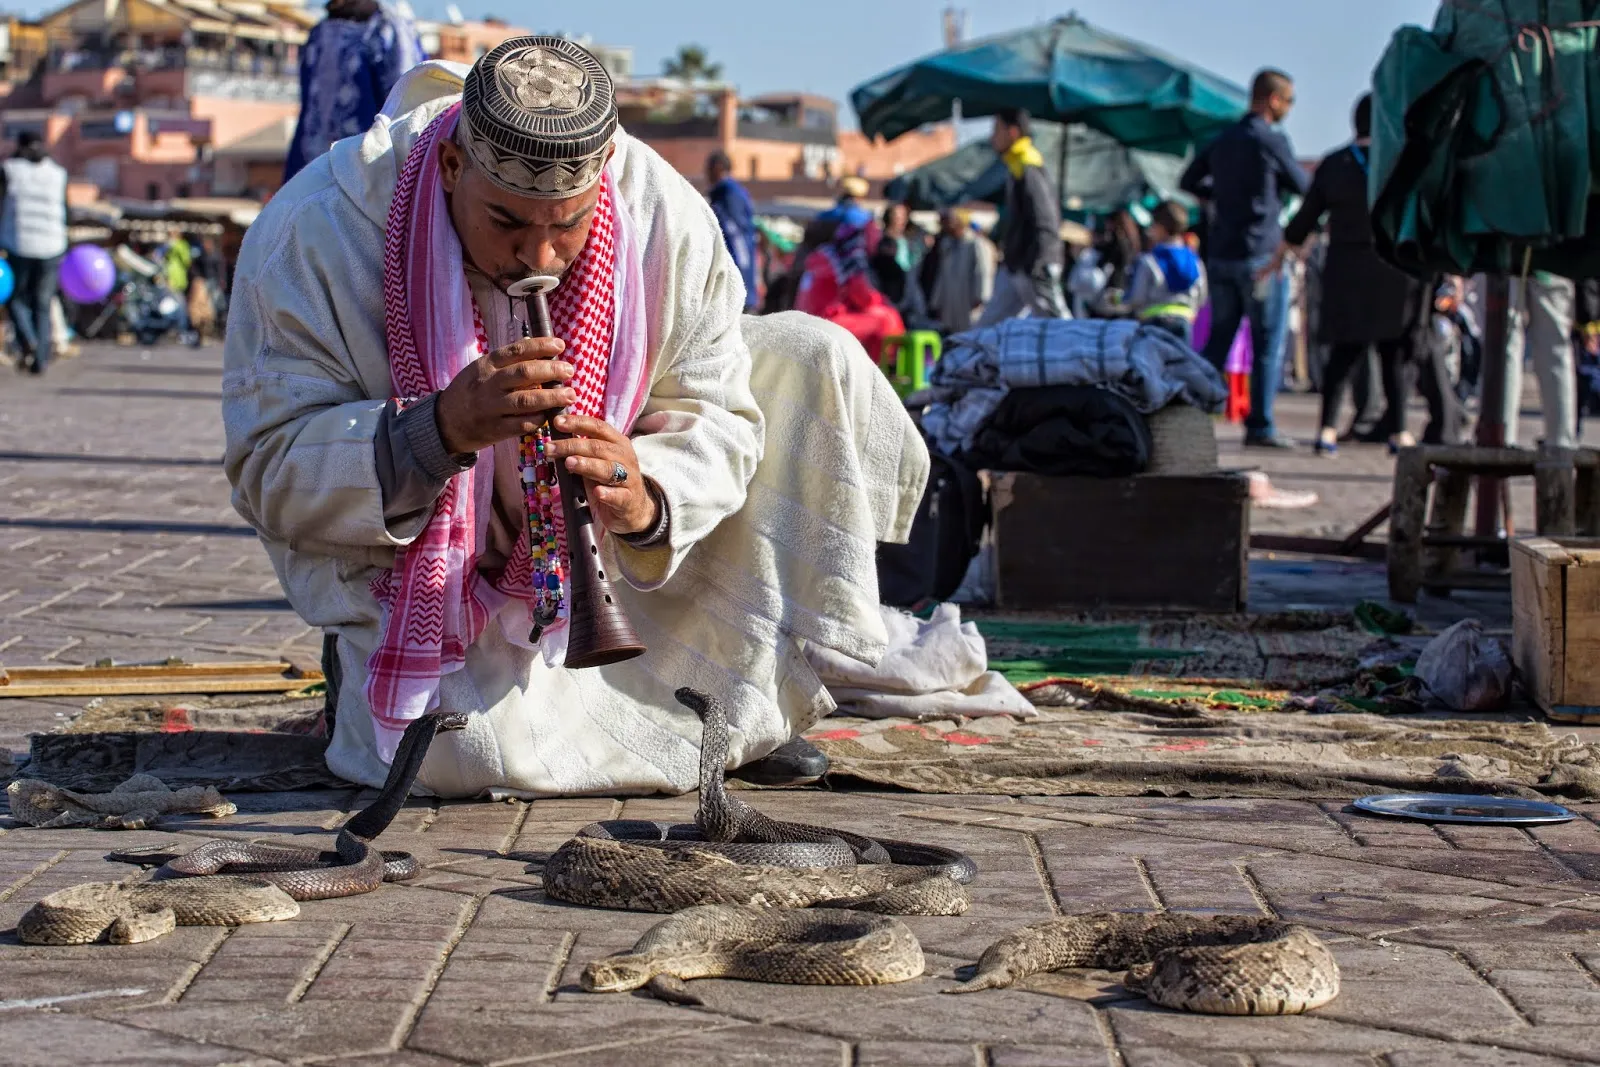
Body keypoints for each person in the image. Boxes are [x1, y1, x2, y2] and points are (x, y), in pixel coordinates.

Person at [222, 39, 926, 798]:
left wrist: (647, 495)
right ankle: (367, 677)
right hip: (421, 582)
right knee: (464, 759)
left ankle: (734, 708)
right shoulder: (316, 231)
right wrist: (435, 432)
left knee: (809, 352)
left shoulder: (664, 214)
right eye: (508, 223)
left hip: (625, 579)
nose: (542, 255)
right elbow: (268, 464)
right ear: (453, 169)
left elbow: (718, 409)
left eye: (569, 225)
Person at [1272, 94, 1461, 454]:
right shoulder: (1403, 162)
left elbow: (1304, 222)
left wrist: (1283, 250)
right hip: (1396, 268)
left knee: (1344, 354)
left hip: (1347, 269)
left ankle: (1326, 429)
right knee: (1394, 354)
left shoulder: (1335, 163)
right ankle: (1400, 432)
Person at [1181, 68, 1310, 448]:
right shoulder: (1270, 140)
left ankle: (1187, 412)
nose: (1288, 108)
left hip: (1222, 252)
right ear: (1273, 99)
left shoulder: (1223, 139)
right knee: (1266, 343)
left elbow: (1189, 180)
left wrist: (1219, 195)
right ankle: (1260, 425)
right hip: (1261, 256)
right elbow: (1303, 185)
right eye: (1288, 101)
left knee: (1218, 339)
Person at [283, 0, 424, 183]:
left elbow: (408, 107)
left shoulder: (390, 31)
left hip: (370, 178)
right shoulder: (319, 33)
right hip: (312, 173)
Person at [977, 108, 1068, 324]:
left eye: (997, 130)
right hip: (1018, 265)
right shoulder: (1016, 165)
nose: (992, 137)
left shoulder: (1028, 166)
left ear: (1013, 132)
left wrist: (1041, 262)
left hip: (1034, 265)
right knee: (989, 327)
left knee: (1059, 324)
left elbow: (1046, 219)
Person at [0, 131, 68, 375]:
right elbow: (66, 209)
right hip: (52, 245)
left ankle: (27, 339)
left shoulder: (9, 170)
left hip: (18, 243)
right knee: (43, 302)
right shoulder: (58, 173)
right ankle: (41, 357)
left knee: (16, 298)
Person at [795, 217, 906, 359]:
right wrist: (882, 300)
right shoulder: (848, 257)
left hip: (807, 320)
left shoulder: (822, 254)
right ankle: (881, 372)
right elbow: (863, 298)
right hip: (825, 322)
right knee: (886, 318)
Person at [1504, 273, 1580, 450]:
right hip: (1551, 260)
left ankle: (1501, 441)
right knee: (1555, 349)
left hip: (1506, 256)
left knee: (1506, 344)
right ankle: (1561, 447)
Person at [1123, 200, 1207, 345]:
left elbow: (1137, 297)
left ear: (1161, 228)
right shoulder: (1194, 260)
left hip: (1153, 323)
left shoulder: (1148, 260)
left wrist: (1123, 299)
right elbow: (1201, 297)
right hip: (1183, 322)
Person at [704, 150, 759, 312]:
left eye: (709, 168)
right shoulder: (735, 193)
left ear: (719, 168)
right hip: (743, 286)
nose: (706, 174)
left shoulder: (727, 195)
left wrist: (736, 283)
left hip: (736, 288)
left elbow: (735, 239)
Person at [927, 208, 995, 334]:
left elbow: (982, 272)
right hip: (951, 298)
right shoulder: (947, 244)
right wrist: (937, 301)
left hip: (968, 298)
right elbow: (942, 275)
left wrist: (981, 296)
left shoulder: (976, 243)